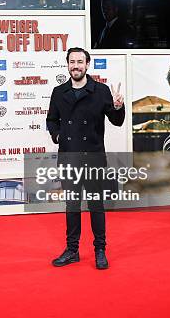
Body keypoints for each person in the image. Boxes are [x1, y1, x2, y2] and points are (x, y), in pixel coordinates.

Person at [46, 47, 125, 270]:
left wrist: (118, 107)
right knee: (72, 205)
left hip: (93, 159)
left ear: (87, 64)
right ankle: (72, 250)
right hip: (69, 158)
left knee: (95, 205)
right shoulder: (58, 92)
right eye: (72, 62)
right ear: (67, 65)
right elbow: (51, 120)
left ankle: (100, 250)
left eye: (80, 62)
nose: (76, 66)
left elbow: (117, 121)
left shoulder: (100, 91)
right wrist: (57, 134)